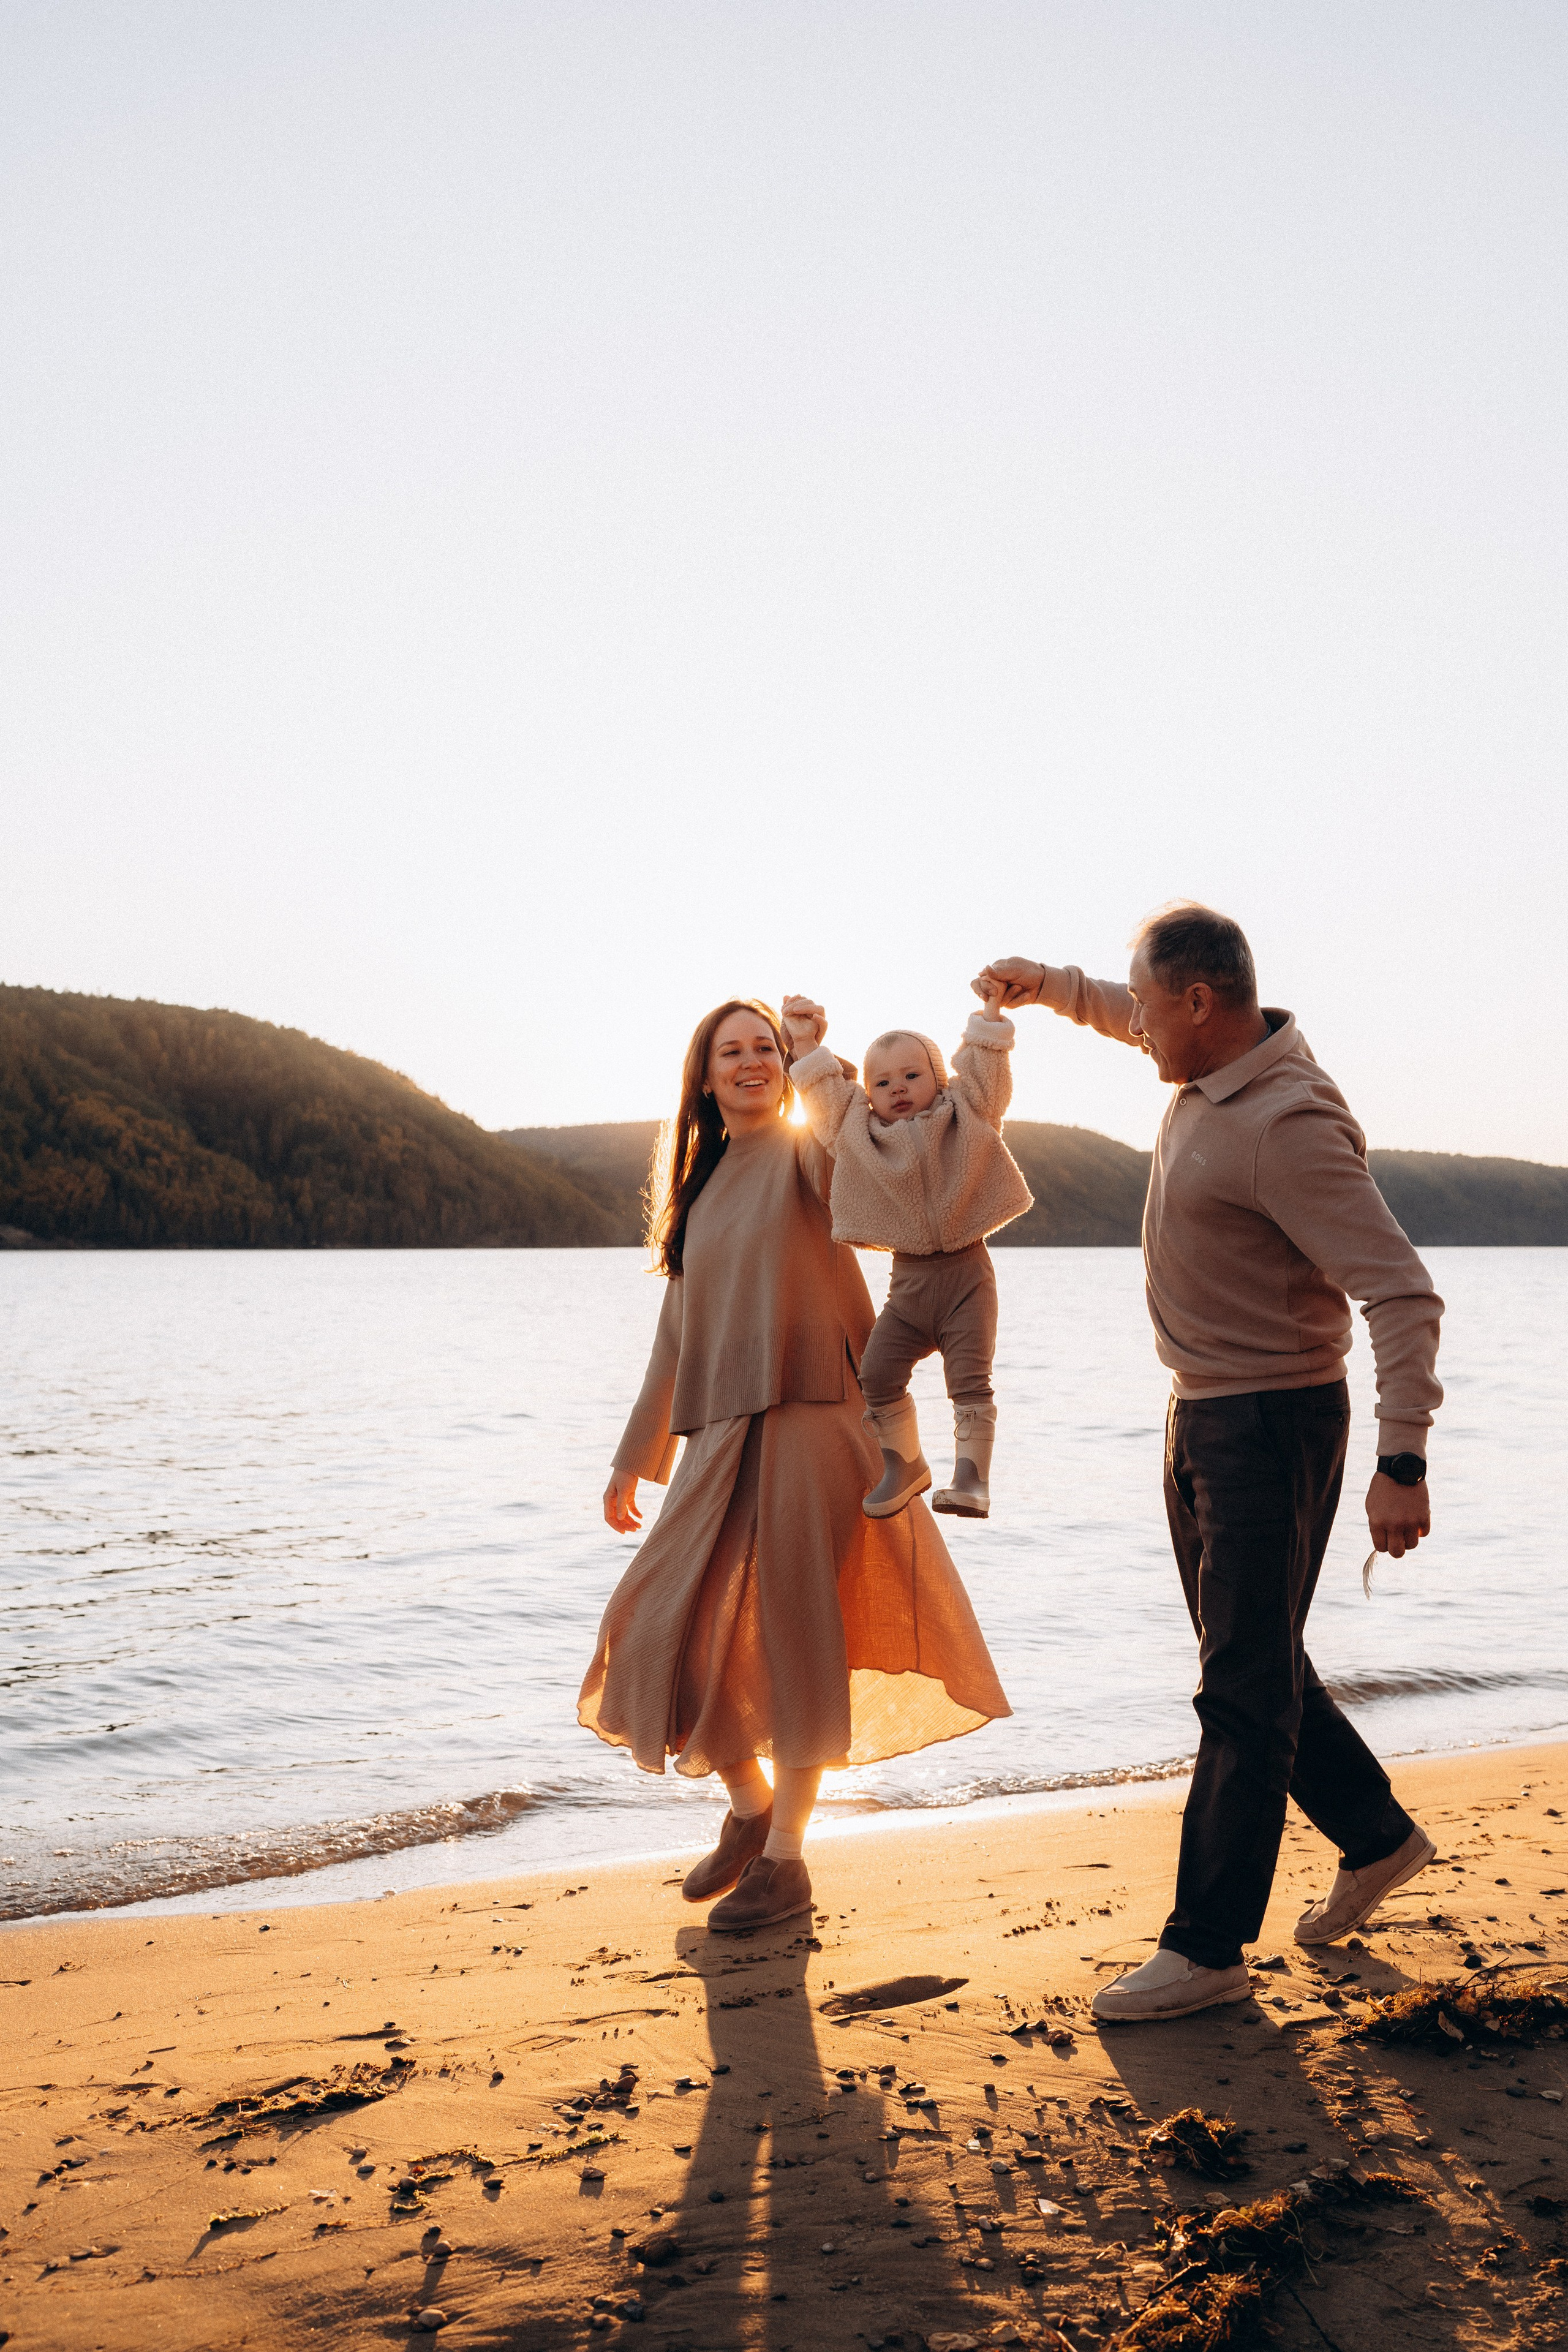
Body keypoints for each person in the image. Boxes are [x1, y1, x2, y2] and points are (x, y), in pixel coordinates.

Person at [977, 906, 1443, 2022]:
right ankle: (1376, 1836)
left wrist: (1404, 1457)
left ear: (1199, 1003)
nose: (1132, 1024)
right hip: (1202, 1412)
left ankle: (1207, 1946)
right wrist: (1051, 985)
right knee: (1256, 1659)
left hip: (1272, 1424)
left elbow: (1402, 1291)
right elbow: (1123, 1011)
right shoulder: (1210, 1063)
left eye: (1147, 1006)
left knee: (1240, 1685)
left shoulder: (1286, 1122)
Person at [579, 998, 1011, 1934]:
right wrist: (633, 1458)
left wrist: (826, 1061)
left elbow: (873, 1167)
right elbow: (676, 1335)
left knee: (798, 1640)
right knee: (654, 1622)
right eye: (731, 1052)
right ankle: (750, 1807)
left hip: (817, 1416)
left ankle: (786, 1862)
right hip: (718, 1433)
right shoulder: (699, 1188)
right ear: (704, 1079)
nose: (751, 1062)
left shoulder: (812, 1150)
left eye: (764, 1048)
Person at [780, 980, 1031, 1520]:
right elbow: (825, 1097)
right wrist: (804, 1045)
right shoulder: (857, 1131)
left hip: (968, 1279)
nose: (898, 1088)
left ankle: (972, 1479)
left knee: (969, 1381)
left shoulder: (968, 1110)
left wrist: (989, 1015)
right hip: (909, 1287)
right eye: (882, 1082)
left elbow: (987, 1071)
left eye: (912, 1076)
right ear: (868, 1093)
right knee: (876, 1374)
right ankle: (905, 1464)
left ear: (939, 1079)